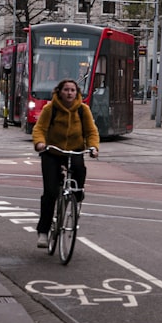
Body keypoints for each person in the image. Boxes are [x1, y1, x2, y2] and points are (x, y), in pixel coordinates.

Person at [31, 79, 100, 248]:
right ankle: (43, 232)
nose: (69, 93)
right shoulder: (51, 109)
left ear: (76, 93)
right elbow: (39, 129)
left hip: (74, 150)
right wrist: (40, 143)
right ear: (59, 92)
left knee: (79, 170)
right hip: (52, 152)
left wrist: (93, 147)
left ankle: (76, 199)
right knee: (50, 192)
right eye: (66, 90)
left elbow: (91, 131)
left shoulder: (83, 110)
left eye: (72, 90)